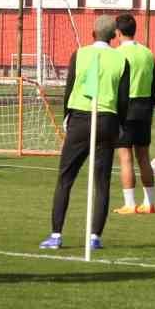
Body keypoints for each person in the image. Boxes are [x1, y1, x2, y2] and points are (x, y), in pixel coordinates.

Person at [41, 16, 132, 251]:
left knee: (65, 178)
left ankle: (56, 234)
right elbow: (123, 99)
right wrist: (119, 124)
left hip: (80, 119)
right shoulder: (121, 60)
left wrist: (66, 117)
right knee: (101, 182)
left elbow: (70, 87)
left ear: (93, 33)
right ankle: (94, 237)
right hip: (107, 120)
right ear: (114, 36)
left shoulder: (79, 54)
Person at [111, 14, 155, 215]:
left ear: (118, 33)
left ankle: (130, 203)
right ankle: (149, 203)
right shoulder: (148, 53)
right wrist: (150, 107)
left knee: (125, 157)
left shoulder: (116, 54)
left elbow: (113, 84)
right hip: (144, 107)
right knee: (143, 157)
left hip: (125, 108)